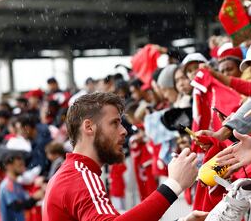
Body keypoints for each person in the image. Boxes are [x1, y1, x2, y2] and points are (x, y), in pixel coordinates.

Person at [42, 92, 204, 221]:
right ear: (89, 127)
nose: (124, 131)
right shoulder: (79, 176)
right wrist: (173, 185)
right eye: (115, 123)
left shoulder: (72, 174)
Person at [0, 152, 44, 221]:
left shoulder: (17, 183)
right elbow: (16, 207)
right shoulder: (7, 185)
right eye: (19, 165)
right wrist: (34, 198)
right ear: (9, 166)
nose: (23, 168)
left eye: (23, 164)